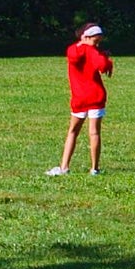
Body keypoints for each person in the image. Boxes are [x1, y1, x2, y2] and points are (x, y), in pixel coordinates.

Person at [47, 23, 114, 176]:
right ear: (86, 37)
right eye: (95, 41)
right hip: (96, 96)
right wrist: (106, 59)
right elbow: (102, 66)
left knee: (73, 131)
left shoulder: (72, 49)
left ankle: (64, 167)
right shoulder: (92, 51)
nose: (97, 44)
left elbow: (74, 57)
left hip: (79, 98)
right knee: (94, 133)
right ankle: (94, 168)